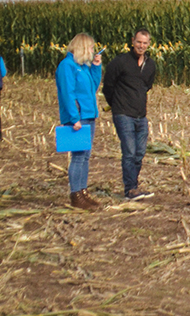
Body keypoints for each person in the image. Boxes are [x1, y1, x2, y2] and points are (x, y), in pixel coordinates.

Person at [101, 28, 157, 200]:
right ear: (133, 41)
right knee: (130, 152)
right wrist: (116, 104)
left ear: (149, 44)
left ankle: (134, 185)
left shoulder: (151, 65)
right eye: (139, 42)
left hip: (141, 115)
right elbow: (108, 87)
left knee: (139, 153)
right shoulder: (120, 62)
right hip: (123, 114)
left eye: (145, 43)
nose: (141, 45)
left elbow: (146, 86)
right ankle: (130, 189)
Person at [57, 33, 102, 210]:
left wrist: (96, 67)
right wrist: (74, 118)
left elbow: (93, 87)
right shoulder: (67, 66)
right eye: (91, 48)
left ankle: (83, 192)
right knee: (78, 157)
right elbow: (67, 93)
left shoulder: (82, 67)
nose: (93, 51)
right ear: (83, 47)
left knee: (85, 156)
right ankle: (76, 194)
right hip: (79, 117)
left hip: (89, 115)